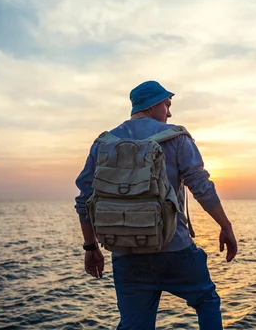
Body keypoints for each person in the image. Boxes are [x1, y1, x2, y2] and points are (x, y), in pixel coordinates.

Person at [74, 80, 238, 330]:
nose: (169, 113)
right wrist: (226, 226)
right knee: (206, 300)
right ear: (152, 106)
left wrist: (90, 247)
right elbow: (201, 186)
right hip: (175, 249)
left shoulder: (103, 144)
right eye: (167, 104)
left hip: (126, 255)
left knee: (134, 325)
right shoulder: (177, 138)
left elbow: (84, 198)